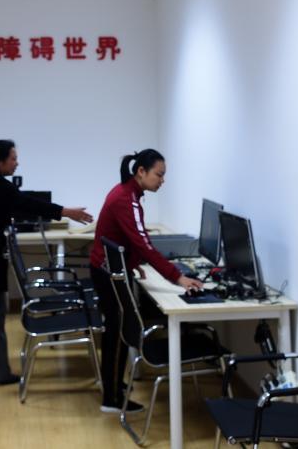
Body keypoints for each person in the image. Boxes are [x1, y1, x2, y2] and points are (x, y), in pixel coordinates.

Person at [0, 139, 93, 385]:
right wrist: (66, 212)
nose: (17, 163)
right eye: (13, 158)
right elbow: (27, 203)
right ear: (0, 161)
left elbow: (16, 205)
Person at [89, 149, 203, 413]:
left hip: (111, 268)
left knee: (116, 330)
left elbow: (128, 239)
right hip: (108, 273)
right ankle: (111, 399)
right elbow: (144, 244)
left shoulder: (126, 193)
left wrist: (131, 263)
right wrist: (178, 277)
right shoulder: (125, 199)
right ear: (141, 172)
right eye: (159, 175)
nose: (162, 180)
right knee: (117, 332)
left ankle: (113, 387)